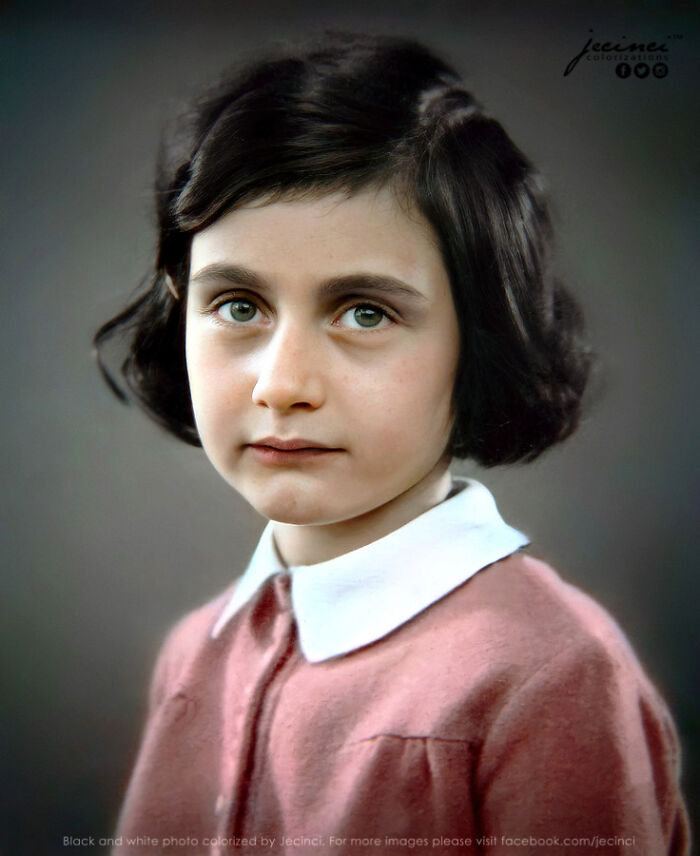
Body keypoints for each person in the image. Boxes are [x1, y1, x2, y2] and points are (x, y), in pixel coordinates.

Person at [95, 32, 690, 856]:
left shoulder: (552, 676)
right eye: (237, 306)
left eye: (364, 313)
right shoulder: (195, 653)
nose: (281, 384)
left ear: (477, 339)